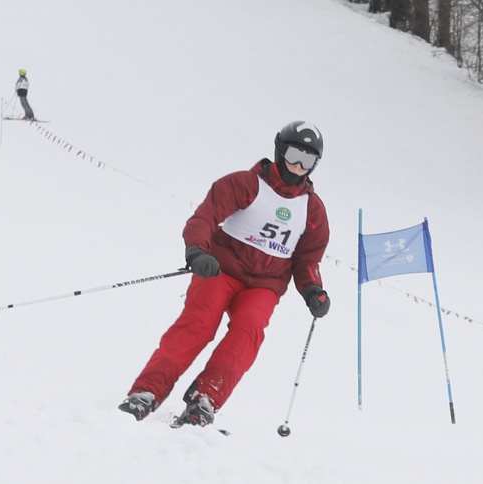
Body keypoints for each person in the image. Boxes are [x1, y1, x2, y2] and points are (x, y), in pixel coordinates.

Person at [119, 121, 331, 427]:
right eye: (295, 154)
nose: (299, 165)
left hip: (264, 285)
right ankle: (146, 392)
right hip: (221, 269)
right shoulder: (245, 184)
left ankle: (206, 398)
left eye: (308, 160)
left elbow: (308, 259)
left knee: (249, 332)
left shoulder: (312, 210)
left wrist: (313, 290)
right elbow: (205, 217)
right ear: (280, 150)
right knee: (198, 325)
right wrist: (197, 251)